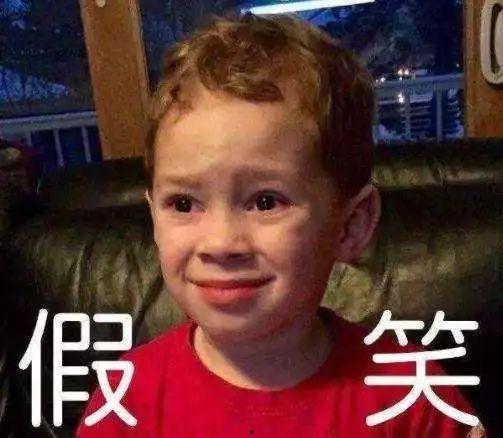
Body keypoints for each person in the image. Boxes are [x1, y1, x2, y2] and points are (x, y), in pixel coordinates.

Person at [76, 13, 477, 437]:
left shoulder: (408, 392)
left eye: (266, 202)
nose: (220, 242)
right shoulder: (127, 400)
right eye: (183, 203)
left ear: (350, 225)